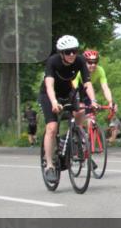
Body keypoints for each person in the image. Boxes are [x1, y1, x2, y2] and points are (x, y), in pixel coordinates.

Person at [40, 35, 98, 180]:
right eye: (67, 52)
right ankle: (49, 165)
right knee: (52, 128)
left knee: (80, 111)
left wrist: (93, 100)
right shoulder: (53, 61)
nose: (71, 54)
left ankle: (74, 139)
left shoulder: (79, 61)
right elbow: (49, 85)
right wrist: (53, 102)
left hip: (67, 92)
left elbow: (87, 83)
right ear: (61, 53)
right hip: (49, 95)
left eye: (74, 51)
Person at [73, 49, 115, 118]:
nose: (93, 65)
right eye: (90, 62)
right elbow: (74, 87)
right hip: (76, 90)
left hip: (88, 92)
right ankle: (77, 127)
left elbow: (105, 88)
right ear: (84, 62)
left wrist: (110, 102)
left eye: (95, 62)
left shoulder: (100, 70)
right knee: (79, 112)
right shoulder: (79, 70)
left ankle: (89, 126)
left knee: (91, 117)